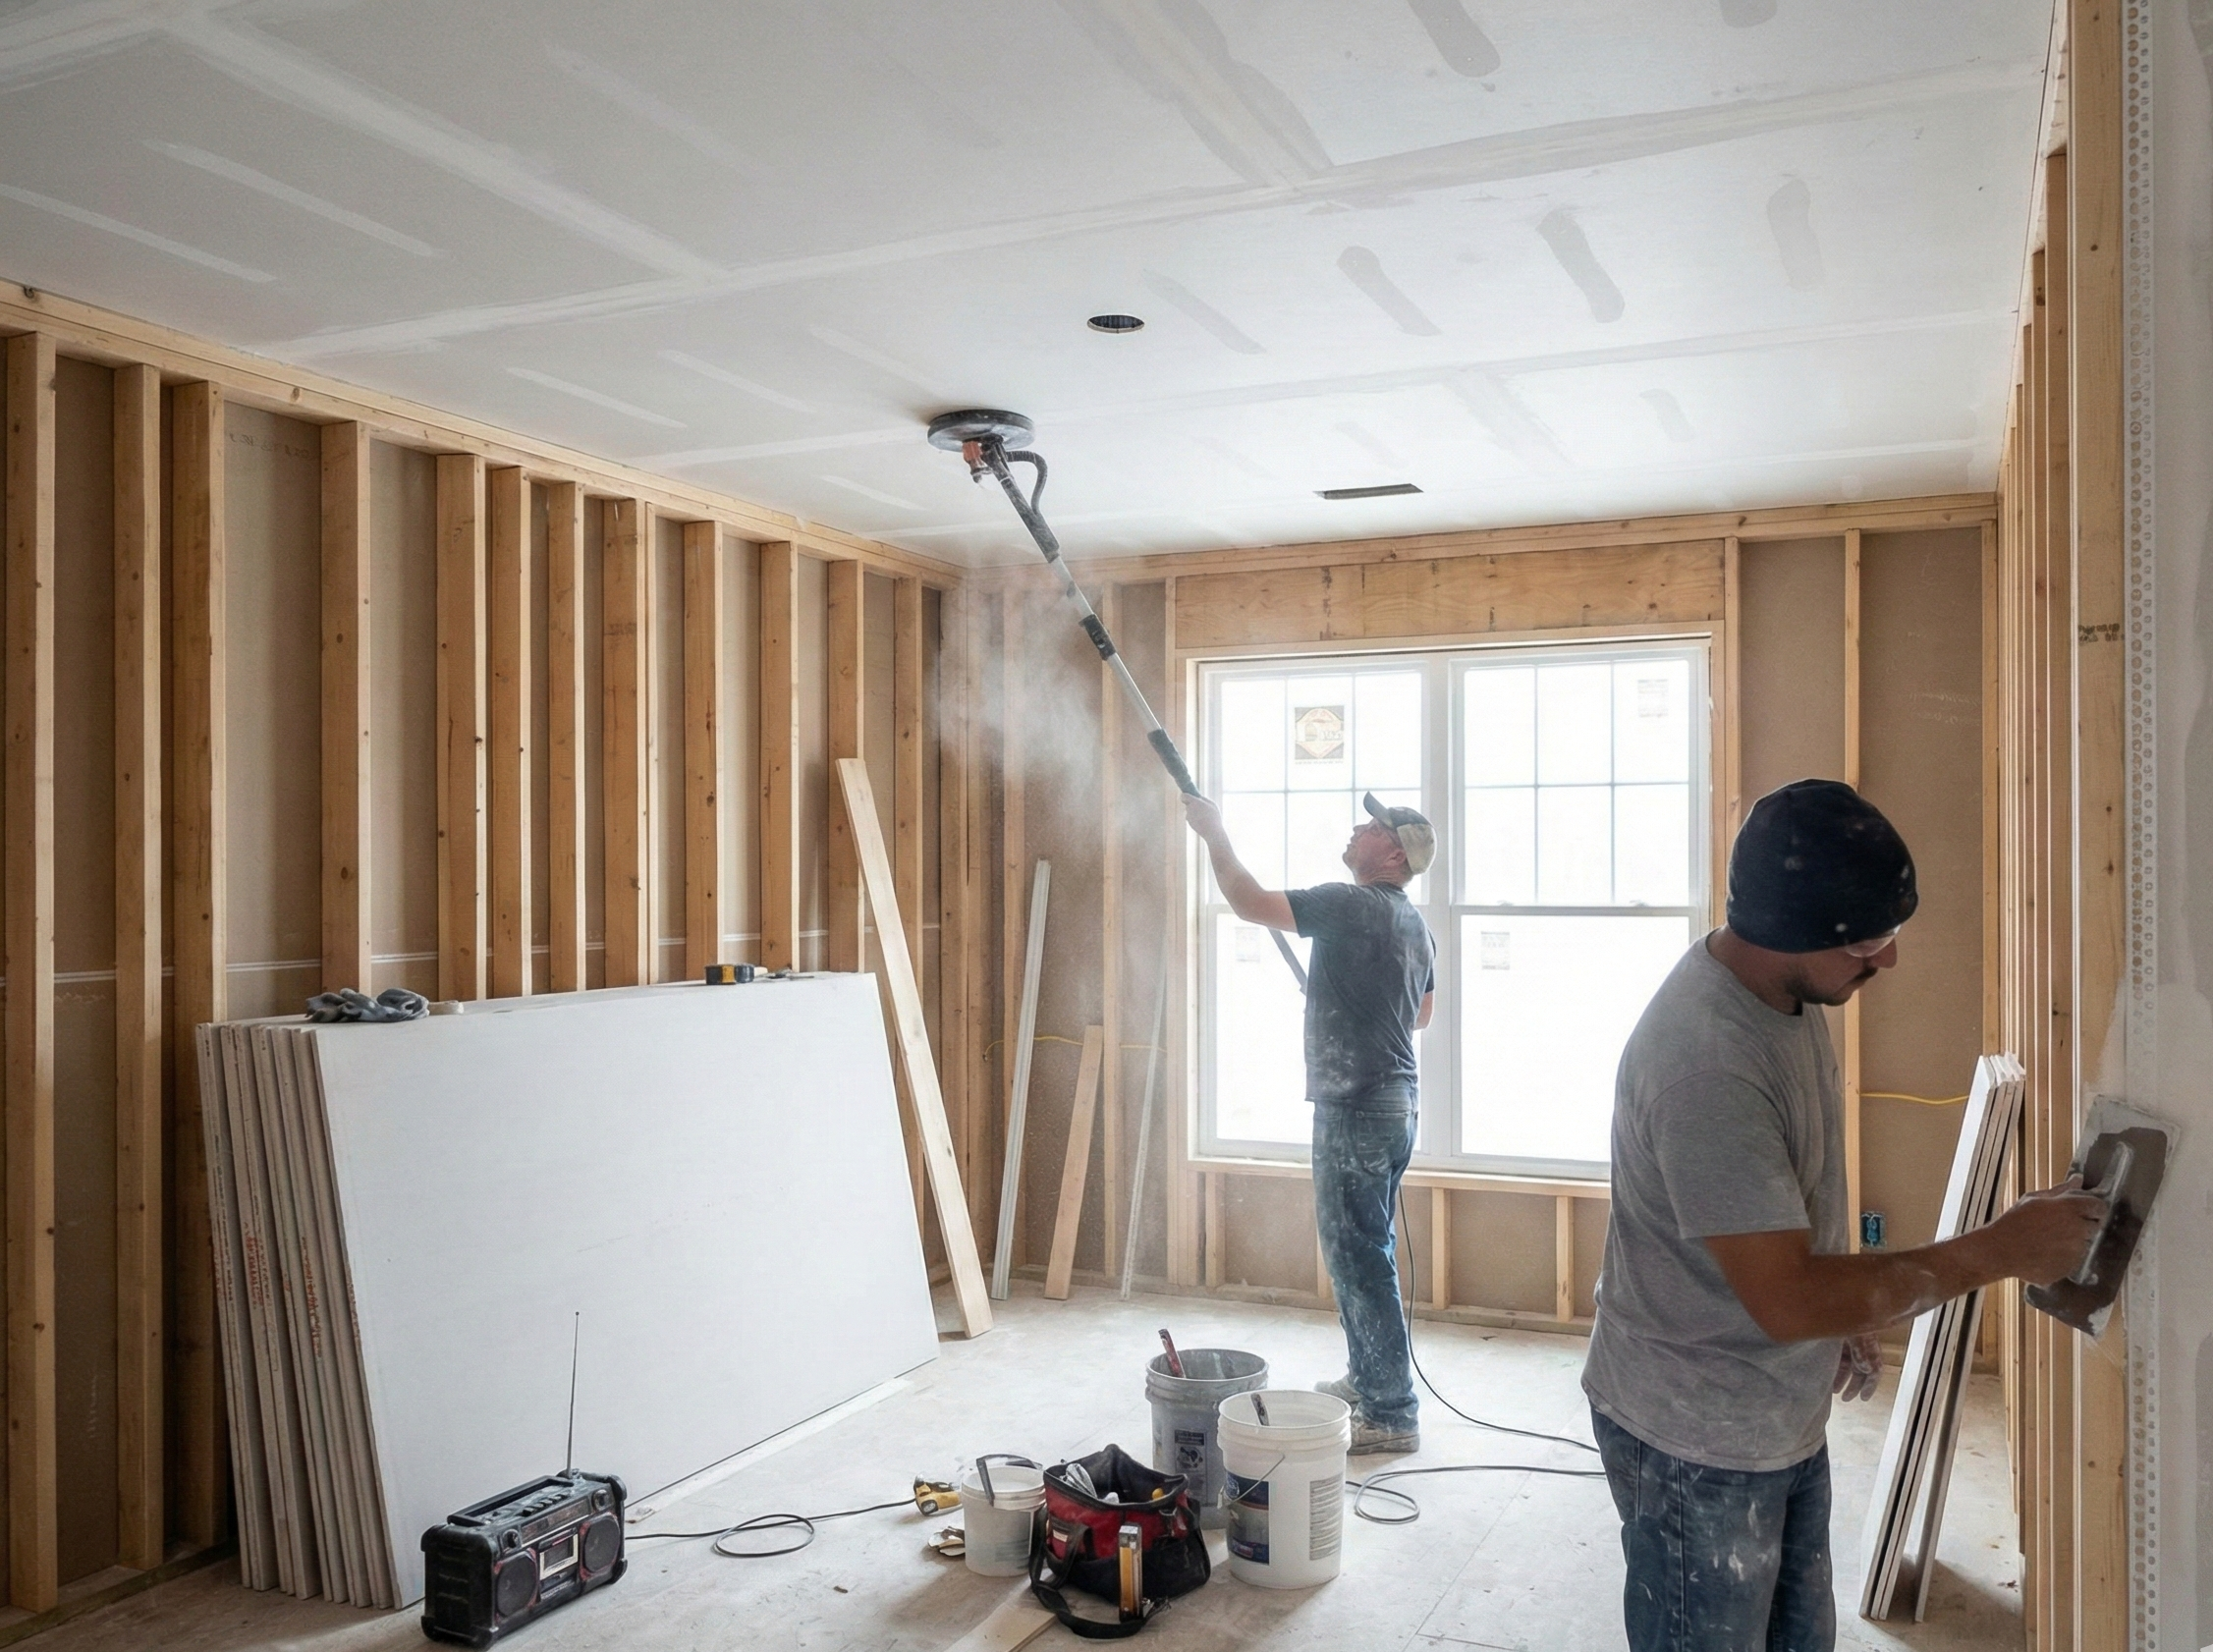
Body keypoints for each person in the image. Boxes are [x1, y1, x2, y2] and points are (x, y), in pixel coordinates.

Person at [1582, 778, 2109, 1651]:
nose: (1888, 961)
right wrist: (2000, 1249)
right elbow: (1784, 1298)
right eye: (1869, 942)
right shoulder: (1707, 1068)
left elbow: (1787, 1238)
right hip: (1695, 1438)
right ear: (1791, 931)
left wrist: (1845, 1308)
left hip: (1768, 1409)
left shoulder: (1781, 994)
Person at [1182, 789, 1437, 1454]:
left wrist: (1213, 833)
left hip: (1355, 1102)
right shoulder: (1413, 924)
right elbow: (1421, 1015)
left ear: (1392, 850)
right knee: (1366, 1250)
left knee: (1357, 1258)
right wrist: (1350, 991)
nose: (1357, 829)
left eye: (1371, 825)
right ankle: (1369, 1378)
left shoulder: (1349, 904)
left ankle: (1390, 1412)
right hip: (1396, 1100)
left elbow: (1248, 902)